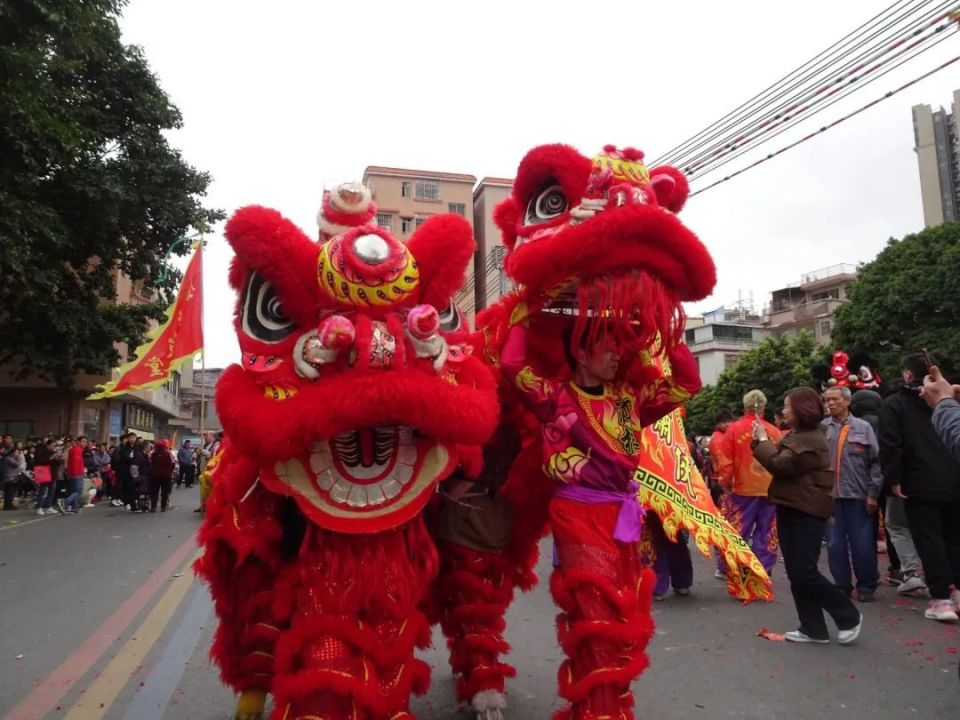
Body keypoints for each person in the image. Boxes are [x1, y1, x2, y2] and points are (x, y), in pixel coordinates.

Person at [501, 317, 699, 720]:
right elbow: (511, 365)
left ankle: (603, 704)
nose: (617, 355)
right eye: (609, 346)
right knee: (595, 614)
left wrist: (662, 329)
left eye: (619, 347)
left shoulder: (630, 399)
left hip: (624, 515)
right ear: (580, 352)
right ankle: (598, 710)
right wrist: (524, 316)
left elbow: (686, 383)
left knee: (625, 614)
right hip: (577, 513)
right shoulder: (553, 398)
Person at [753, 387, 862, 644]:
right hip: (792, 505)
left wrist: (762, 442)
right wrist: (762, 443)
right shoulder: (799, 435)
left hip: (807, 510)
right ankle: (812, 627)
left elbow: (781, 465)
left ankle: (848, 616)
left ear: (801, 410)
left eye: (787, 407)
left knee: (804, 571)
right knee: (796, 571)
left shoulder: (810, 439)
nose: (783, 411)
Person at [880, 353, 960, 622]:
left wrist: (894, 478)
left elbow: (891, 444)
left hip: (920, 480)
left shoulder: (896, 404)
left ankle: (941, 599)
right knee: (954, 537)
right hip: (953, 477)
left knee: (929, 539)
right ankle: (957, 592)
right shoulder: (952, 398)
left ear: (906, 375)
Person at [851, 389, 924, 594]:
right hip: (891, 482)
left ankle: (868, 572)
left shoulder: (858, 426)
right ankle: (897, 568)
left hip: (865, 485)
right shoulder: (889, 420)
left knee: (869, 529)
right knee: (894, 527)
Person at [822, 386, 883, 602]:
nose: (830, 403)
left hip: (859, 497)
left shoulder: (863, 427)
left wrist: (873, 494)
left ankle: (866, 586)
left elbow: (876, 463)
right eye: (827, 400)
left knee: (863, 545)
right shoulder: (822, 428)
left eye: (835, 399)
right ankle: (842, 585)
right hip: (831, 498)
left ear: (847, 402)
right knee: (834, 545)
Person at [714, 390, 782, 578]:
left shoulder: (734, 429)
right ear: (764, 407)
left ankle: (731, 568)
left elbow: (725, 461)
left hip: (742, 489)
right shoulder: (774, 431)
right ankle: (762, 569)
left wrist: (724, 483)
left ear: (745, 407)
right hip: (770, 488)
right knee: (767, 530)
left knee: (737, 529)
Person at [707, 409, 735, 506]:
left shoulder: (726, 435)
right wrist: (728, 483)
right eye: (724, 422)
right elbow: (722, 463)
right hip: (723, 482)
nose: (728, 424)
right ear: (717, 424)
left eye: (729, 421)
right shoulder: (717, 439)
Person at [61, 436, 88, 514]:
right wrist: (78, 473)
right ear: (78, 442)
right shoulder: (77, 450)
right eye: (83, 441)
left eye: (85, 441)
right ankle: (65, 502)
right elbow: (75, 463)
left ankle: (74, 507)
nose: (85, 443)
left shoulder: (75, 449)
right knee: (78, 491)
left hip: (72, 473)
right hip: (76, 474)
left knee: (74, 491)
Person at [148, 440, 176, 512]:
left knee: (154, 492)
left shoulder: (153, 454)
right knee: (165, 492)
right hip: (166, 476)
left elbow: (150, 462)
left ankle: (153, 507)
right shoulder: (169, 454)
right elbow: (173, 463)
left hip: (155, 476)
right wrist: (169, 470)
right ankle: (163, 507)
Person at [3, 445, 24, 511]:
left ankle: (8, 505)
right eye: (16, 452)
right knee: (9, 493)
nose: (17, 454)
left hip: (13, 477)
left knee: (11, 492)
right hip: (9, 478)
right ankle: (8, 505)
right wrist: (19, 458)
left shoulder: (11, 458)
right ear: (12, 452)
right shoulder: (9, 458)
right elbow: (17, 464)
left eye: (18, 452)